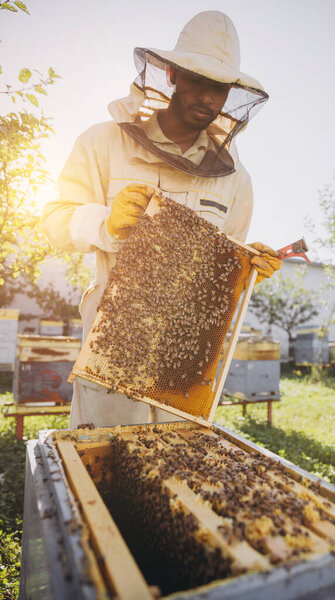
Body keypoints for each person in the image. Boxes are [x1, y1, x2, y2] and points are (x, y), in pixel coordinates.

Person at [41, 10, 282, 428]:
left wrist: (246, 270)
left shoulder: (236, 180)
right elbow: (55, 221)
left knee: (174, 473)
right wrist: (106, 222)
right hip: (113, 349)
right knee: (105, 469)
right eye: (198, 81)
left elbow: (223, 270)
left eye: (220, 88)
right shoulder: (103, 142)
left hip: (184, 365)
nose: (208, 98)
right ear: (172, 75)